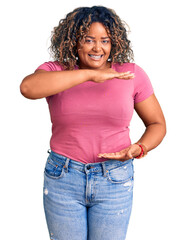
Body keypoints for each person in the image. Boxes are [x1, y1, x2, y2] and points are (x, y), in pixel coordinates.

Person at [20, 6, 166, 240]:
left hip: (115, 179)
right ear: (74, 41)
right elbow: (28, 88)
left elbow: (157, 124)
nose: (98, 48)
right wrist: (88, 75)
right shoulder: (56, 70)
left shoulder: (130, 74)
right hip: (63, 178)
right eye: (89, 40)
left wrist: (139, 148)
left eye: (105, 41)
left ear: (114, 43)